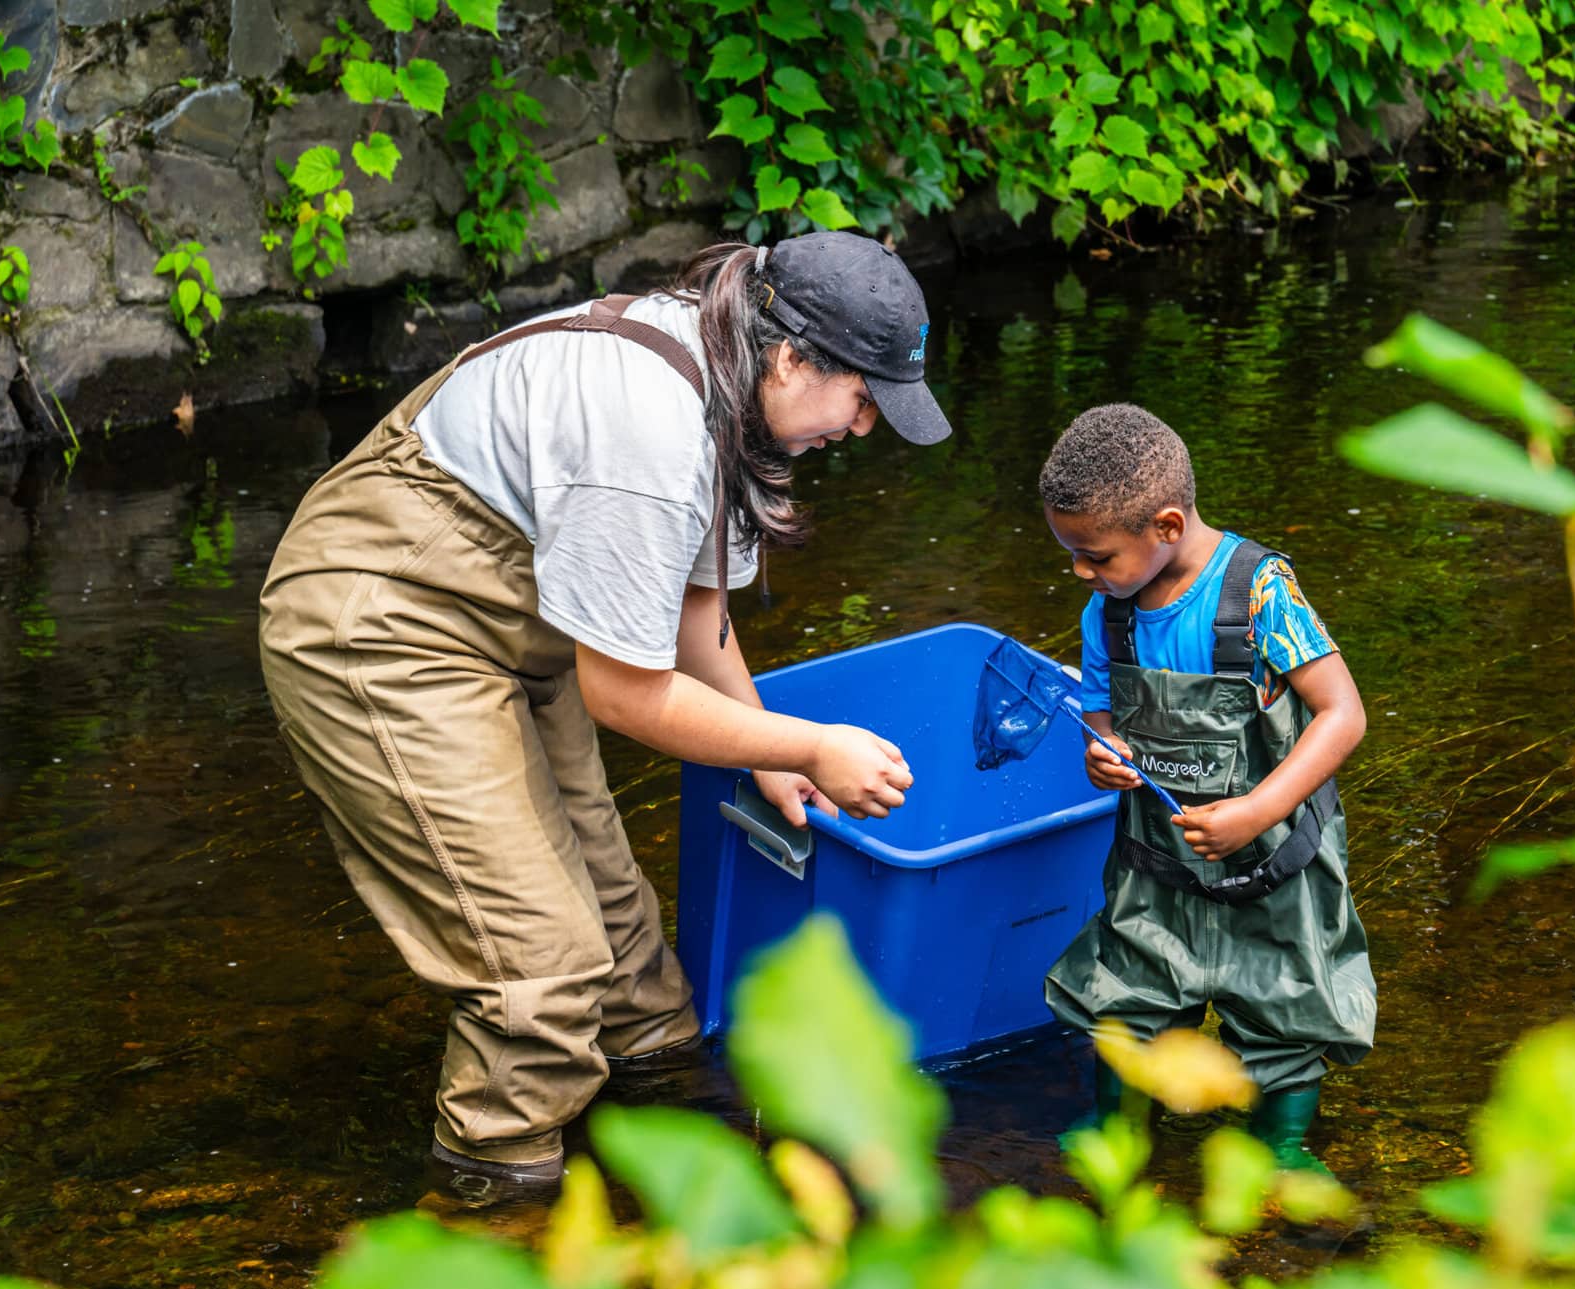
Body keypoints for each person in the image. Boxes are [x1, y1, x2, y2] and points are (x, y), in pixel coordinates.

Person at [258, 232, 948, 1204]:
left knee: (632, 968)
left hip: (526, 620)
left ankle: (670, 1167)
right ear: (794, 358)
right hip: (388, 618)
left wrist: (764, 754)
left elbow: (693, 622)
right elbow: (623, 693)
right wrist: (810, 743)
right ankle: (497, 1211)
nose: (866, 428)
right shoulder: (651, 431)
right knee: (538, 970)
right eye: (865, 399)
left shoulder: (738, 400)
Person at [1037, 404, 1376, 1173]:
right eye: (1074, 556)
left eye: (1094, 556)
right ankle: (1116, 1131)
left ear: (1164, 525)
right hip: (1159, 866)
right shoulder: (1108, 614)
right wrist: (1108, 753)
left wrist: (1258, 808)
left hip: (1274, 858)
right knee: (1124, 995)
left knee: (1287, 1006)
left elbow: (1342, 713)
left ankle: (1283, 1151)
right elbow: (1101, 710)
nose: (1081, 573)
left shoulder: (1259, 595)